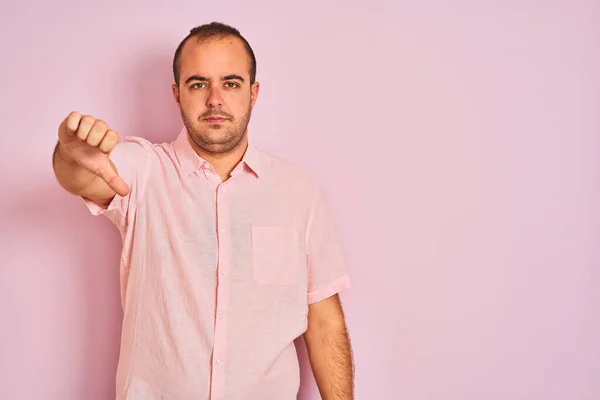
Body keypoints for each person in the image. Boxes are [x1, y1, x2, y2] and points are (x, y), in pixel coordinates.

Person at [52, 21, 354, 400]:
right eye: (198, 84)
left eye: (230, 83)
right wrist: (69, 154)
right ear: (177, 95)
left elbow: (325, 322)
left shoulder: (298, 191)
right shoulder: (145, 170)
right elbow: (82, 176)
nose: (215, 99)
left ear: (253, 93)